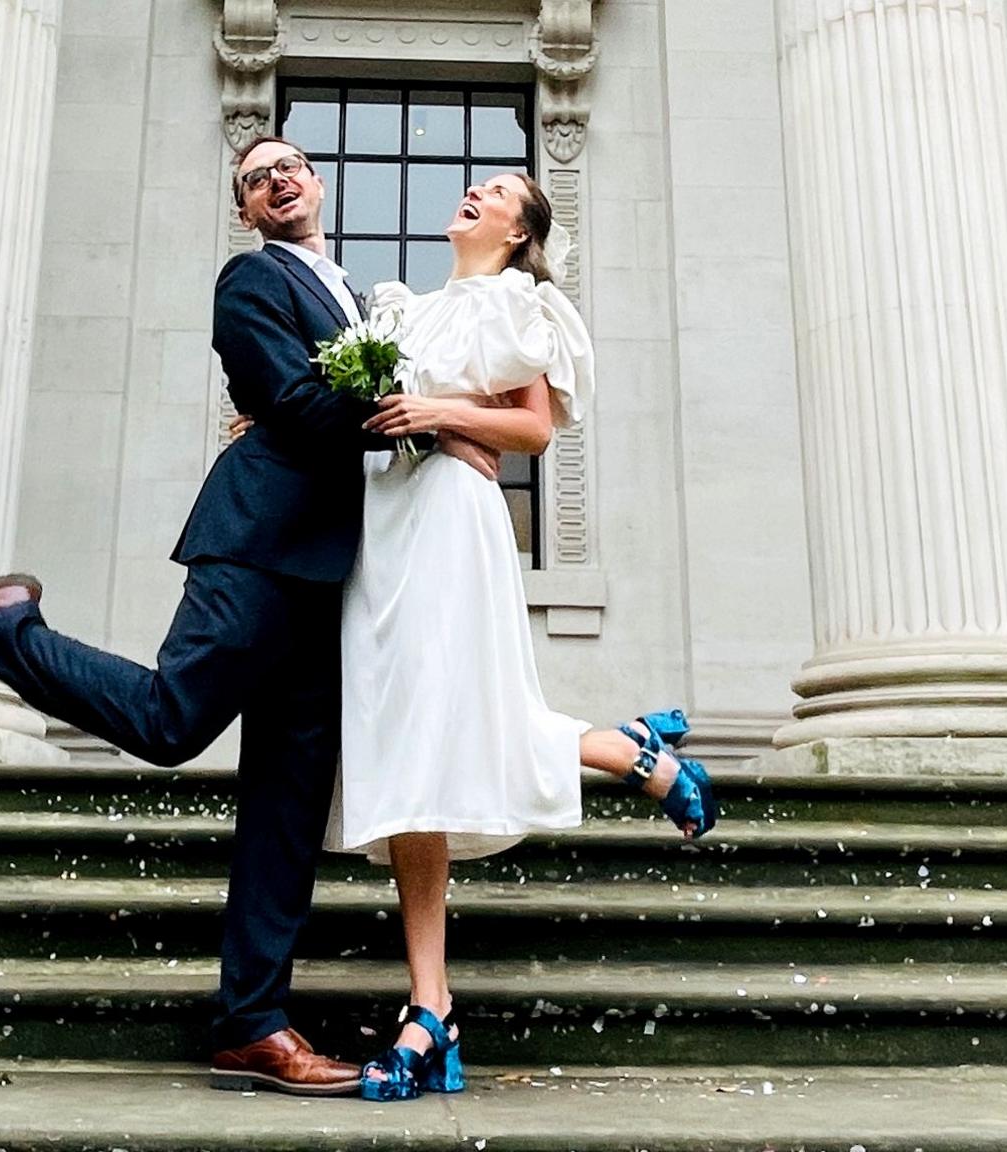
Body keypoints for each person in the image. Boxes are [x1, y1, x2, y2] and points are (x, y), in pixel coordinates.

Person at [0, 136, 499, 1097]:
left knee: (287, 814)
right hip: (255, 547)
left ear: (317, 181)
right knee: (174, 718)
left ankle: (253, 1026)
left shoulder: (356, 293)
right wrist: (421, 411)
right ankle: (1, 628)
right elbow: (295, 404)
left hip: (333, 576)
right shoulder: (249, 284)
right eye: (256, 179)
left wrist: (429, 415)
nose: (278, 181)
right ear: (247, 210)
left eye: (290, 165)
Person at [232, 173, 718, 1103]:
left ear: (520, 228)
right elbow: (355, 411)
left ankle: (627, 756)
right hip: (382, 535)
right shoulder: (400, 315)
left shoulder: (518, 303)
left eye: (497, 190)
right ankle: (434, 1006)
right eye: (476, 184)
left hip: (453, 523)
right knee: (407, 748)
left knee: (455, 721)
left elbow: (534, 430)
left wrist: (442, 415)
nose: (474, 192)